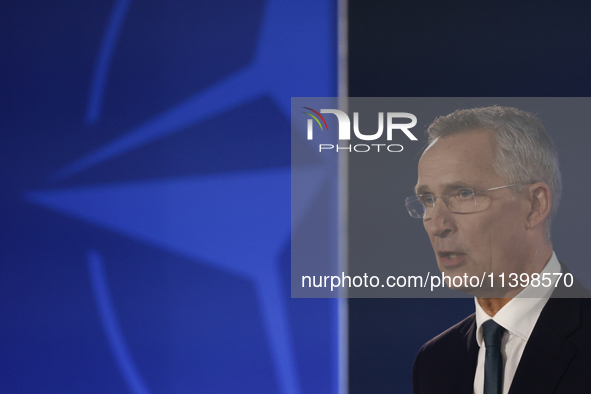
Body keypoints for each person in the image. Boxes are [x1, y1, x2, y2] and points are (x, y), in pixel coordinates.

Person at [407, 106, 591, 394]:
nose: (437, 224)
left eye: (464, 194)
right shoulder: (435, 361)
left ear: (534, 206)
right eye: (428, 199)